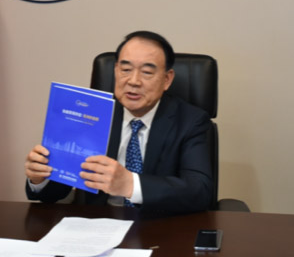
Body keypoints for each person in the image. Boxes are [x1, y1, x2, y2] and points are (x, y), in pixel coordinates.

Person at [25, 30, 214, 213]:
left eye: (147, 72)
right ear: (116, 70)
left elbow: (200, 191)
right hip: (97, 224)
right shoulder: (90, 114)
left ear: (167, 79)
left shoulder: (190, 121)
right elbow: (55, 192)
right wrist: (40, 178)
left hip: (159, 226)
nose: (133, 81)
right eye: (125, 70)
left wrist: (130, 184)